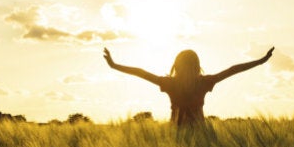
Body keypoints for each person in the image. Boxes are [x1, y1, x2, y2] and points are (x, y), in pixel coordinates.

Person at [103, 46, 274, 126]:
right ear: (197, 65)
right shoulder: (204, 82)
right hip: (202, 134)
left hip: (175, 135)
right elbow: (233, 70)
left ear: (176, 66)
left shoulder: (169, 83)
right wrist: (261, 60)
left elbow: (140, 72)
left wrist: (114, 65)